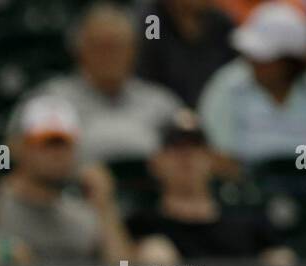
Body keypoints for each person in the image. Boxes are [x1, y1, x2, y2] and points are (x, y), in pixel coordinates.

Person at [14, 2, 183, 163]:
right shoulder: (50, 101)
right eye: (100, 46)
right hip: (71, 189)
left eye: (118, 46)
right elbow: (15, 156)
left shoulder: (162, 104)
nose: (110, 55)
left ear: (134, 51)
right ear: (78, 50)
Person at [129, 110, 295, 266]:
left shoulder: (245, 219)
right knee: (155, 254)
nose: (186, 155)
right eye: (175, 146)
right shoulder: (144, 223)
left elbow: (284, 259)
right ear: (156, 163)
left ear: (212, 159)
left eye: (195, 146)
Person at [199, 2, 306, 165]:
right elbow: (215, 155)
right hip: (245, 188)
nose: (254, 62)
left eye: (265, 58)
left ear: (289, 62)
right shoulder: (227, 87)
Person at [0, 96, 132, 265]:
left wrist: (105, 205)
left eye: (65, 144)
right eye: (47, 143)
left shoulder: (84, 215)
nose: (57, 154)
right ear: (18, 147)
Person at [135, 0, 237, 107]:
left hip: (216, 107)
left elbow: (235, 71)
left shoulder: (220, 22)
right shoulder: (152, 22)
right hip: (164, 110)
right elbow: (144, 80)